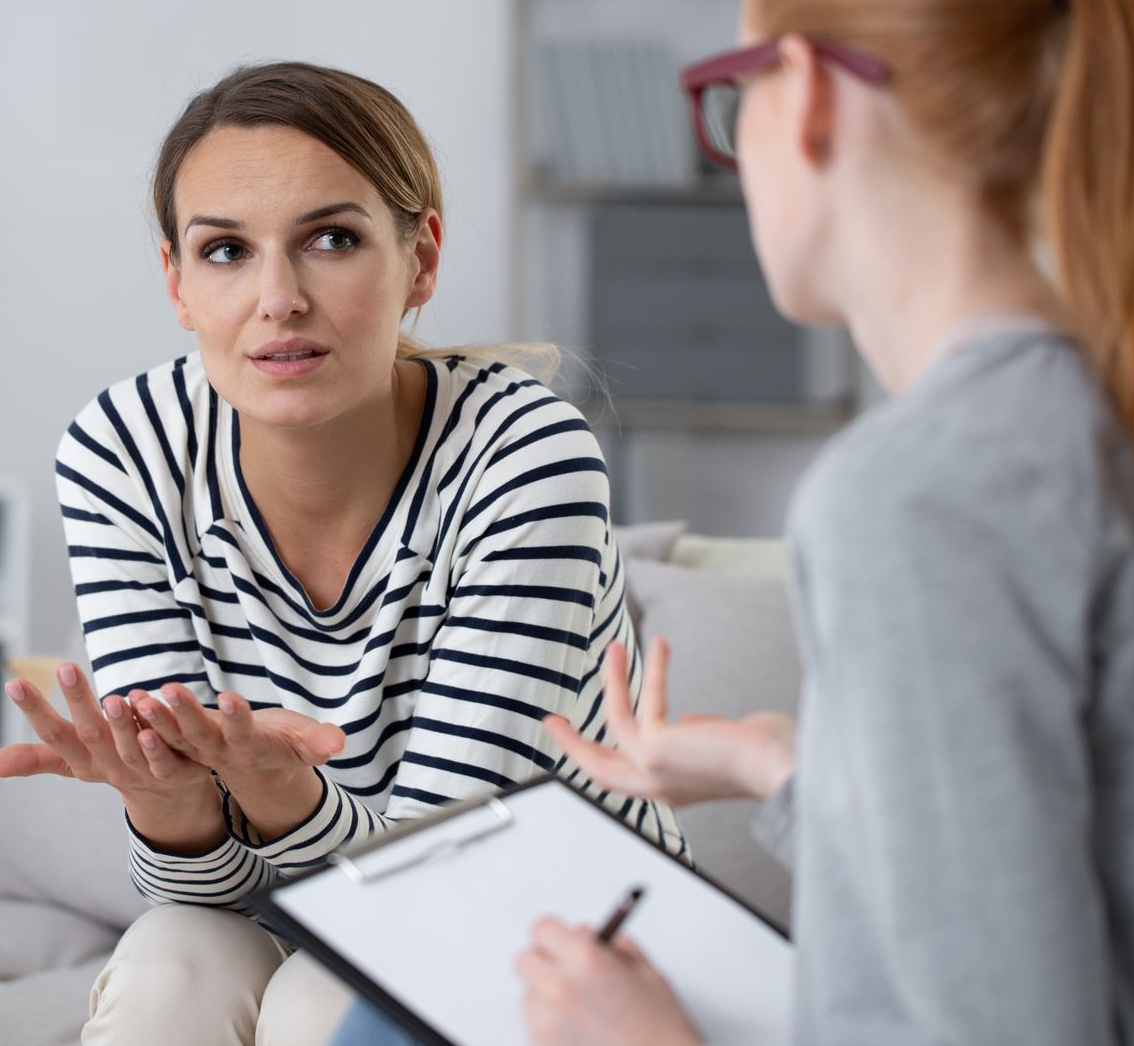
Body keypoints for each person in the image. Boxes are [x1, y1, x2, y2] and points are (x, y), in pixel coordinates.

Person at [332, 0, 1134, 1042]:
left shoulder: (923, 490)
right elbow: (1062, 881)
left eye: (727, 92)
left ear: (809, 95)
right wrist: (778, 767)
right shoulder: (1122, 420)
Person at [0, 61, 683, 1046]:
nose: (278, 298)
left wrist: (282, 798)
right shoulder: (124, 449)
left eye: (331, 239)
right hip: (300, 906)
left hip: (559, 934)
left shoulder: (525, 456)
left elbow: (444, 879)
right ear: (177, 283)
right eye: (226, 250)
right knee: (169, 965)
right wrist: (173, 808)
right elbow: (194, 888)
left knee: (321, 999)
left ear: (421, 257)